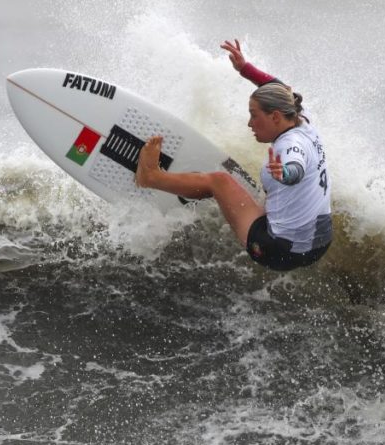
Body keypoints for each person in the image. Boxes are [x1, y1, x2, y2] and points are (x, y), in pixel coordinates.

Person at [136, 39, 332, 271]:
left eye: (254, 115)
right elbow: (280, 88)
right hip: (319, 243)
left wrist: (285, 172)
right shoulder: (301, 118)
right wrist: (245, 69)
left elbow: (295, 167)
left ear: (276, 116)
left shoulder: (289, 146)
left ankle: (151, 177)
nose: (249, 123)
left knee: (219, 181)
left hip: (280, 251)